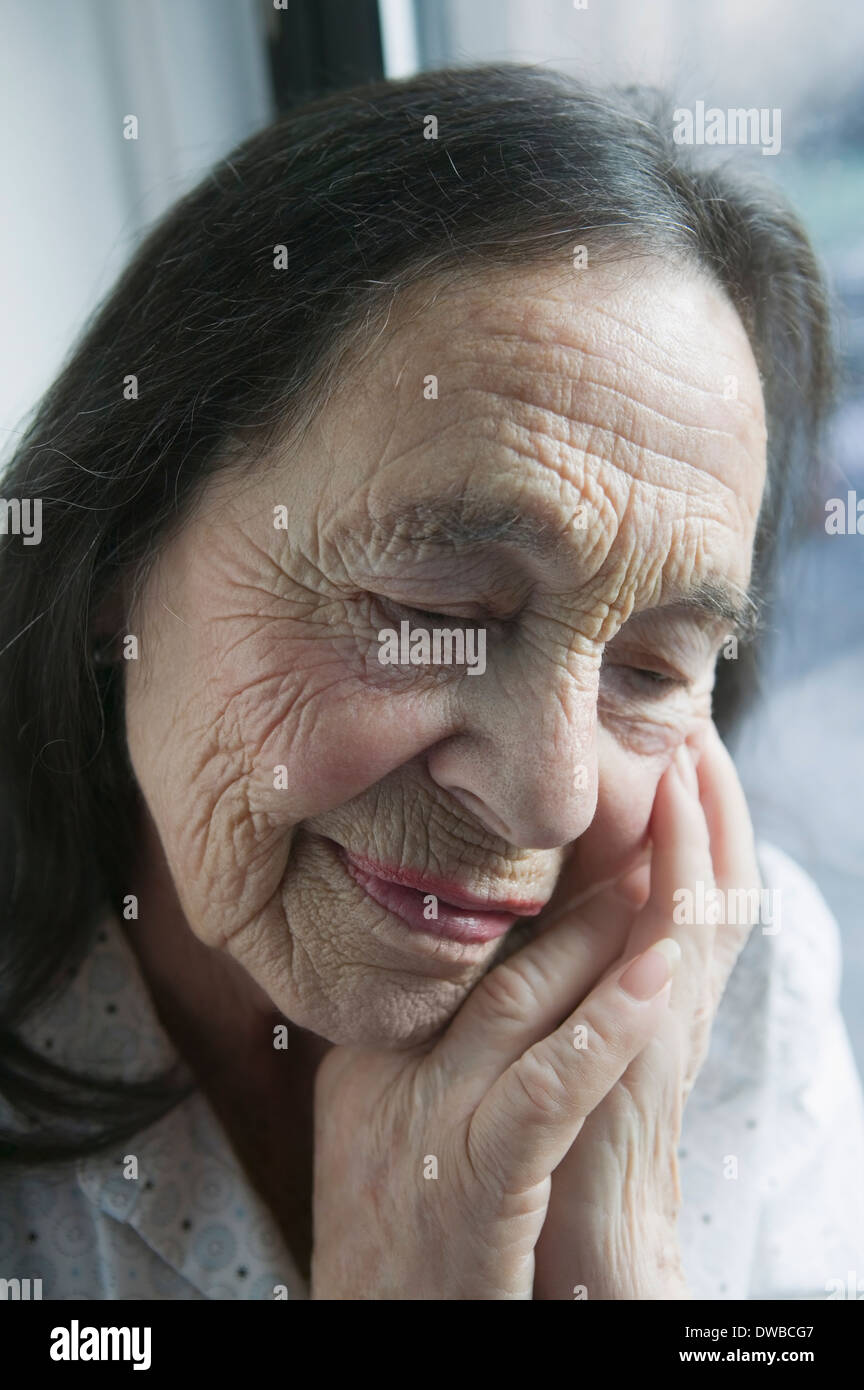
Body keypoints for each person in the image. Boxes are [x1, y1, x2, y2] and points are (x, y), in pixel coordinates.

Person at [1, 63, 862, 1301]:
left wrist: (618, 1256)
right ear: (118, 556)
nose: (553, 798)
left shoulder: (739, 985)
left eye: (652, 668)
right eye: (435, 611)